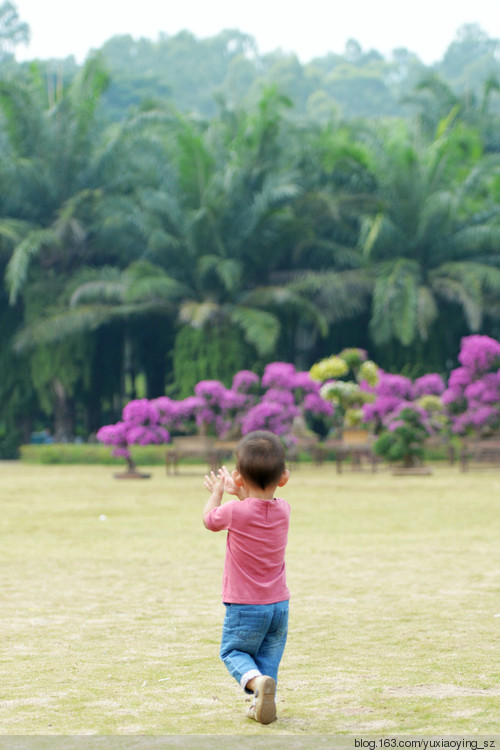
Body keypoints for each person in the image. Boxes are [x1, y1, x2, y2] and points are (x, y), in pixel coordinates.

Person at [202, 430, 291, 725]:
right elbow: (257, 507)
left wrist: (217, 491)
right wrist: (240, 491)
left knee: (233, 651)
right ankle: (263, 702)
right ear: (284, 477)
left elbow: (209, 520)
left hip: (245, 606)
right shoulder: (284, 510)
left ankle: (255, 685)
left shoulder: (234, 512)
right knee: (269, 658)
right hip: (279, 606)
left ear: (239, 477)